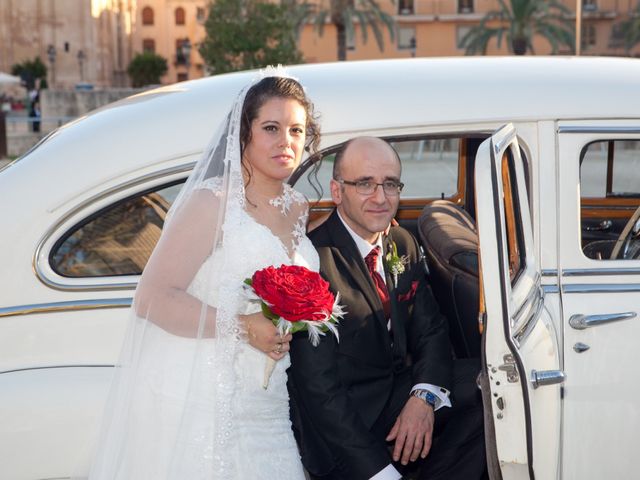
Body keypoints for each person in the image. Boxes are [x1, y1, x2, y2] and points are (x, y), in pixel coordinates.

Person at [84, 71, 320, 479]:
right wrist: (243, 326)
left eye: (296, 130)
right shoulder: (212, 203)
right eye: (271, 128)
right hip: (202, 395)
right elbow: (153, 297)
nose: (286, 141)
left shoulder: (299, 207)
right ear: (243, 133)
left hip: (267, 398)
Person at [288, 136, 485, 480]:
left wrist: (422, 397)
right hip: (344, 422)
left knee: (493, 387)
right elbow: (319, 389)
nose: (380, 198)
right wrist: (378, 473)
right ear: (337, 191)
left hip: (393, 393)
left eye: (390, 184)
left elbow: (432, 330)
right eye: (365, 183)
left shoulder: (400, 243)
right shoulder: (311, 262)